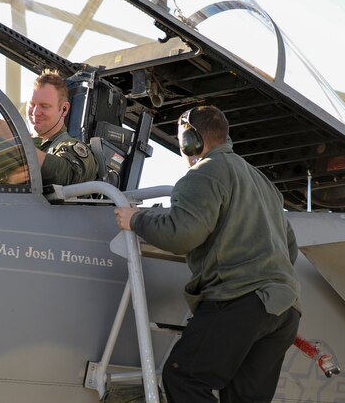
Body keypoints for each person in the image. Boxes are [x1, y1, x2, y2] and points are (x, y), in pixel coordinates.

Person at [113, 105, 300, 403]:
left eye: (181, 142)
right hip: (283, 311)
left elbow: (182, 234)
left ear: (192, 141)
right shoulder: (262, 182)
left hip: (239, 300)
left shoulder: (204, 173)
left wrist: (135, 219)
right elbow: (289, 248)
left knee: (184, 377)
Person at [0, 69, 97, 186]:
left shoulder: (69, 146)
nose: (35, 112)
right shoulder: (24, 144)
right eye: (32, 105)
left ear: (64, 109)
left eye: (44, 106)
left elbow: (68, 175)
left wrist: (14, 140)